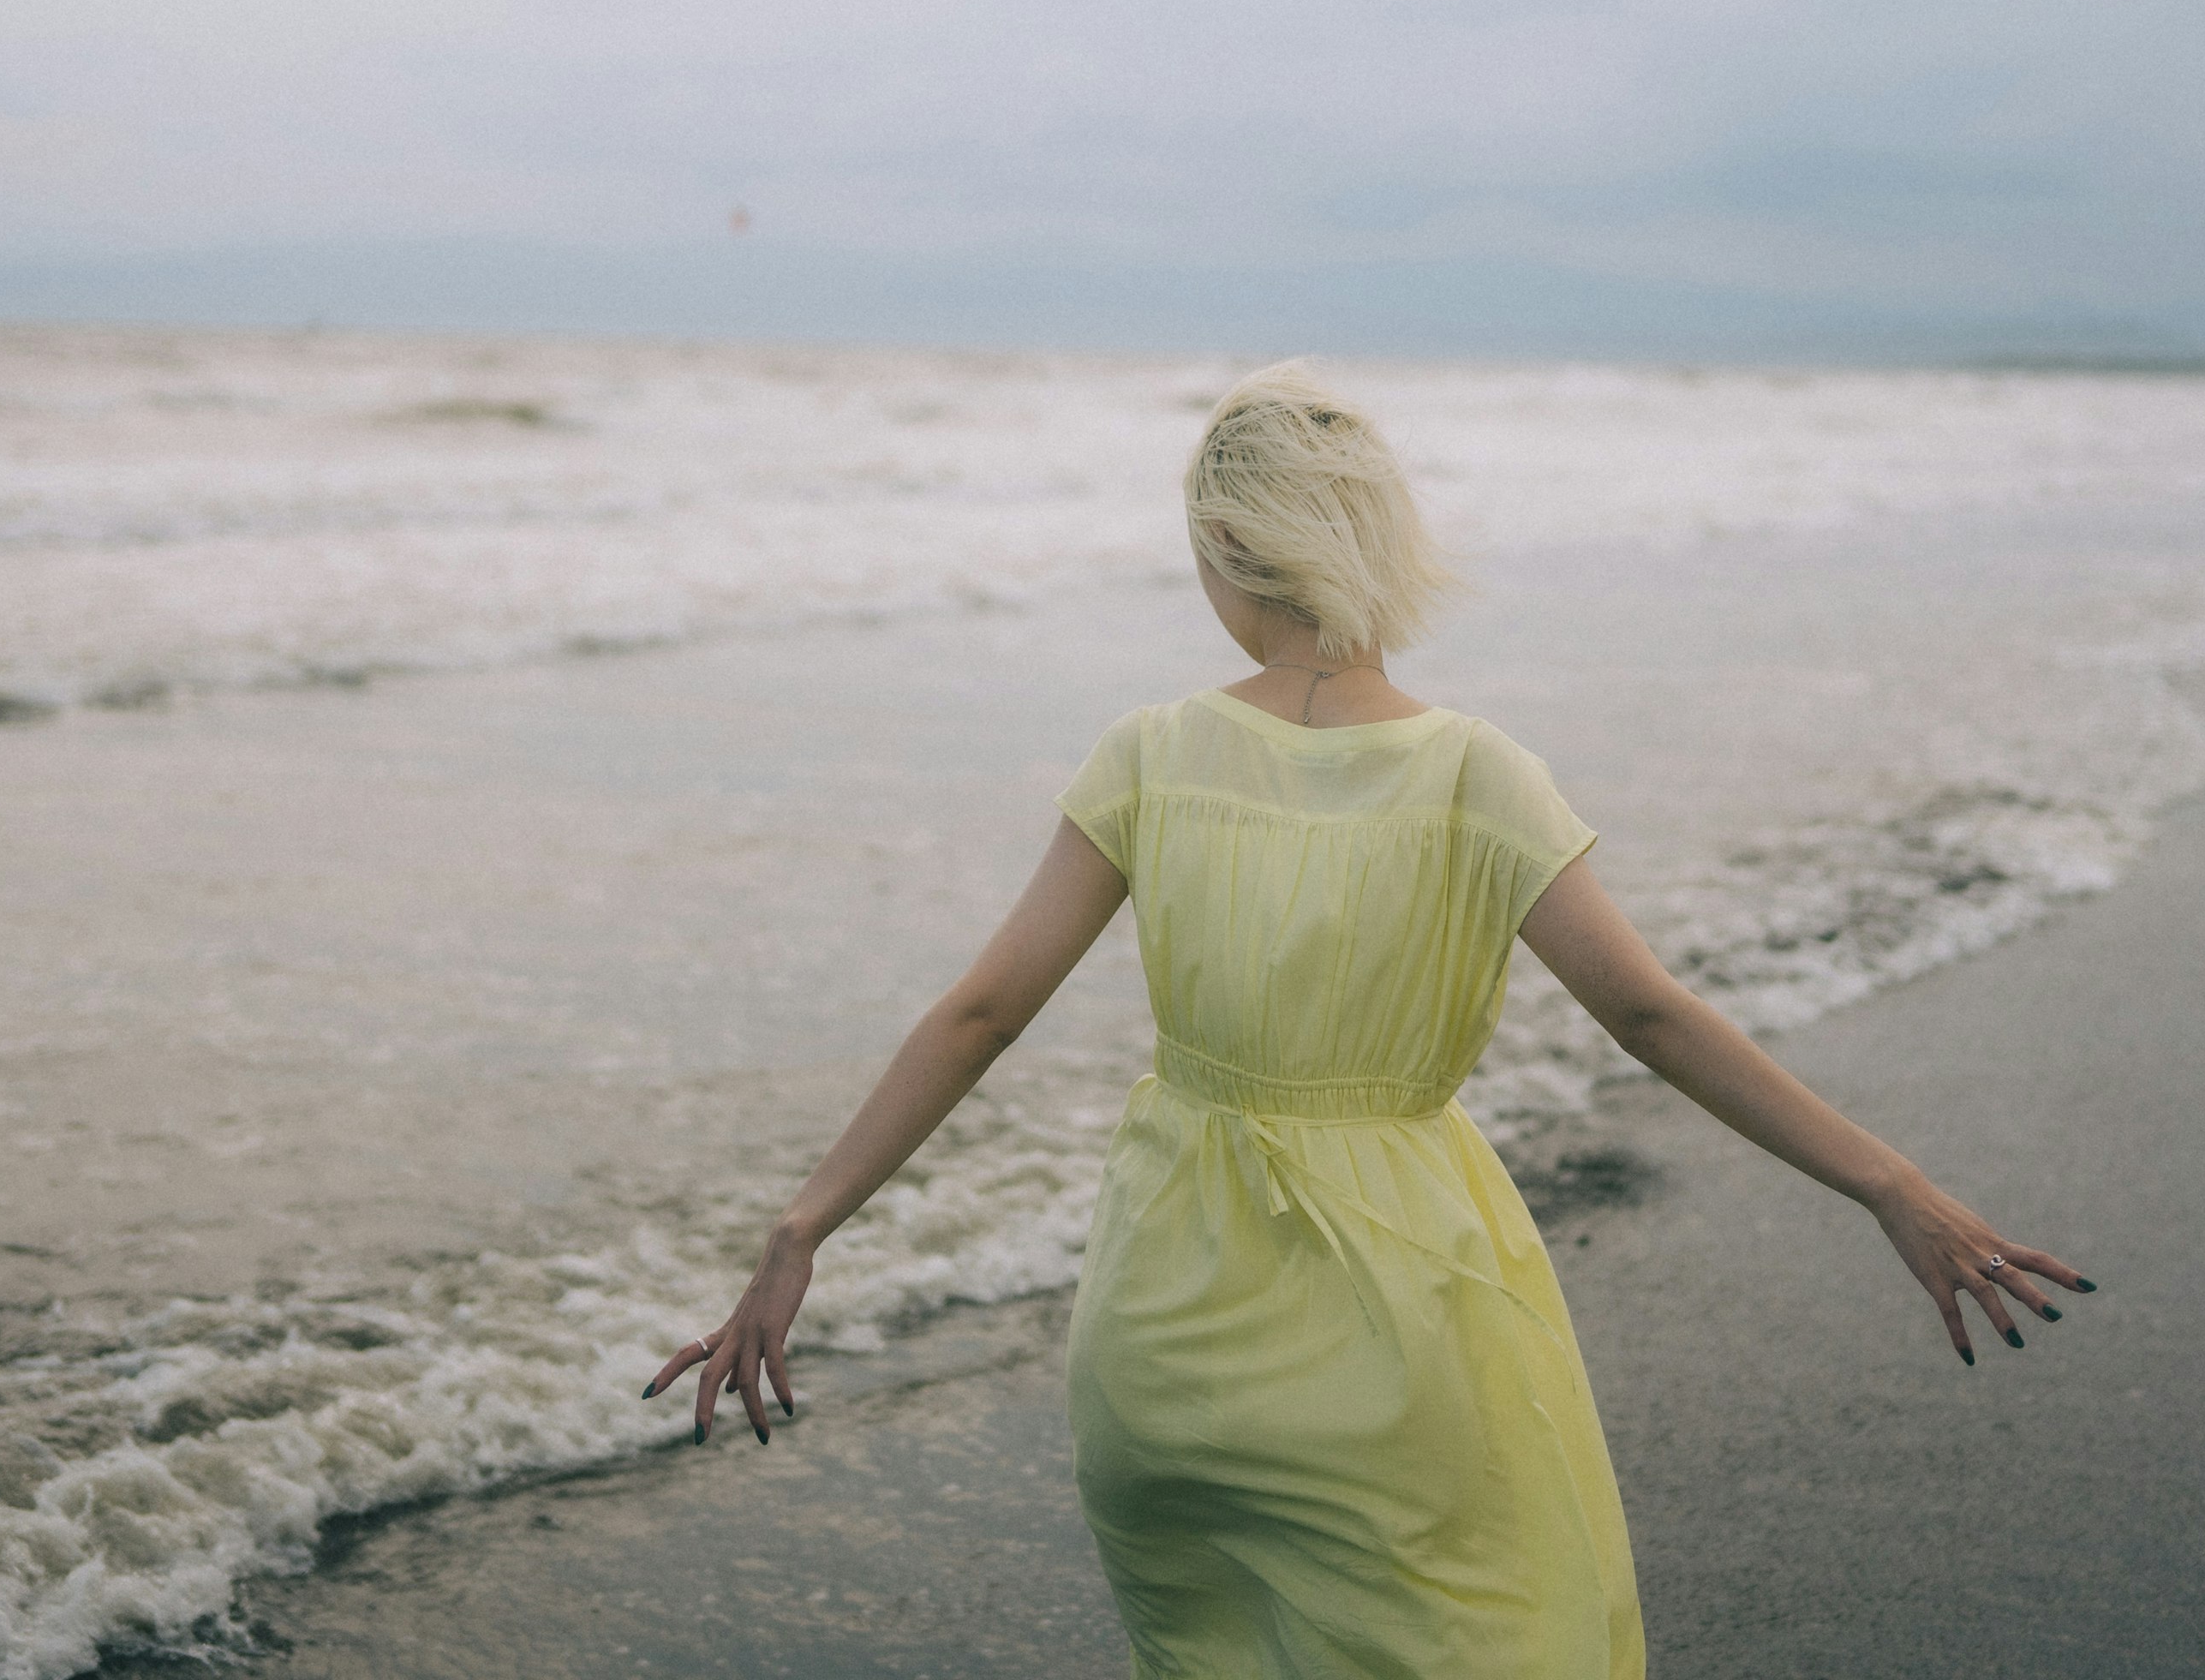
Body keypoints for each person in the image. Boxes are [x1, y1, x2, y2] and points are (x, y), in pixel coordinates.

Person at [643, 361, 2090, 1677]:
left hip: (1166, 1334)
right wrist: (1890, 1188)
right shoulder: (1477, 775)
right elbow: (1649, 1015)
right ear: (1375, 542)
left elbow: (980, 1013)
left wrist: (802, 1230)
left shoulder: (1152, 754)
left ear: (1223, 547)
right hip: (1398, 1321)